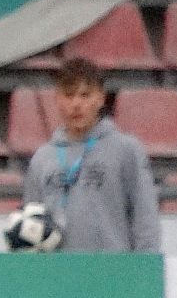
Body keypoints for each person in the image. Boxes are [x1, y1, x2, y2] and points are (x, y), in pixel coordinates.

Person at [23, 57, 160, 252]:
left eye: (85, 95)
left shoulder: (125, 150)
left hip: (110, 265)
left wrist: (146, 263)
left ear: (101, 98)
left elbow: (145, 216)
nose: (76, 104)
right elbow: (31, 222)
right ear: (57, 98)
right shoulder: (42, 158)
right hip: (57, 268)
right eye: (69, 95)